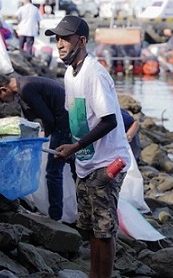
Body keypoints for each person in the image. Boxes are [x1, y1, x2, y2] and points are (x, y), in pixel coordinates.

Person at [46, 16, 132, 278]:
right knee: (92, 230)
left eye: (65, 39)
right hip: (85, 163)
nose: (59, 44)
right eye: (57, 39)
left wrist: (76, 146)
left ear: (81, 41)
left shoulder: (95, 73)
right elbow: (73, 116)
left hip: (106, 163)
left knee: (104, 232)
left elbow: (109, 121)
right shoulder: (70, 73)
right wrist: (67, 147)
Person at [0, 74, 75, 221]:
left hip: (64, 122)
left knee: (53, 171)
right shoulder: (22, 85)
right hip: (67, 118)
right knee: (72, 165)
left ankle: (56, 217)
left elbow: (49, 119)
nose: (2, 102)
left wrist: (45, 136)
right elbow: (29, 118)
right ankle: (81, 209)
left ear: (3, 89)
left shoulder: (26, 89)